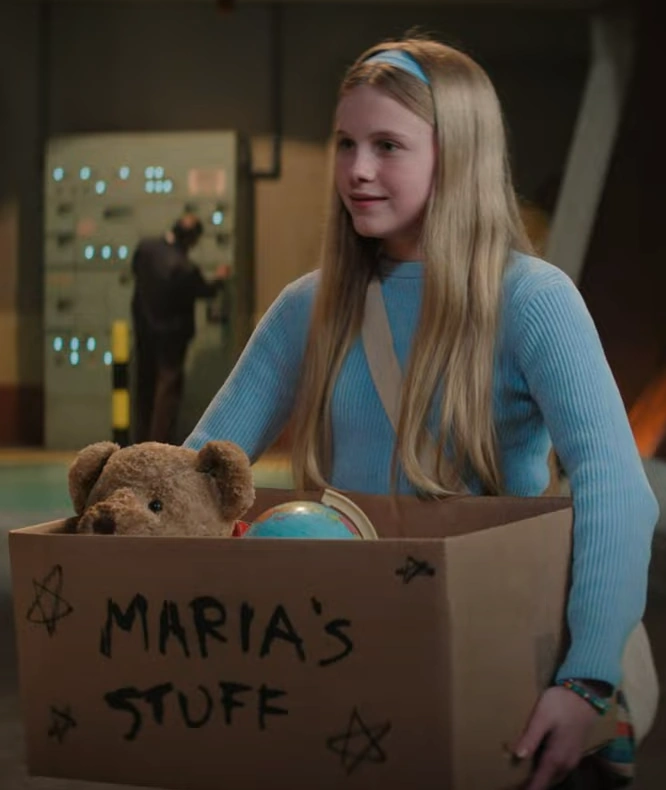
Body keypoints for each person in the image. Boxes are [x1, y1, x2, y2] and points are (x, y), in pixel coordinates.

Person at [183, 37, 658, 788]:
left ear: (457, 156)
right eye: (345, 143)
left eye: (387, 145)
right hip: (344, 652)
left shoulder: (533, 300)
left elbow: (615, 487)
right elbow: (200, 469)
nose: (356, 169)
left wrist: (586, 680)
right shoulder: (309, 307)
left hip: (499, 660)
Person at [131, 213, 226, 444]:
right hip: (172, 338)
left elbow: (135, 271)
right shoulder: (185, 268)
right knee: (167, 393)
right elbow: (204, 290)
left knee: (144, 389)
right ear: (192, 240)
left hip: (144, 331)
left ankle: (139, 443)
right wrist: (220, 279)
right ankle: (159, 445)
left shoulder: (145, 249)